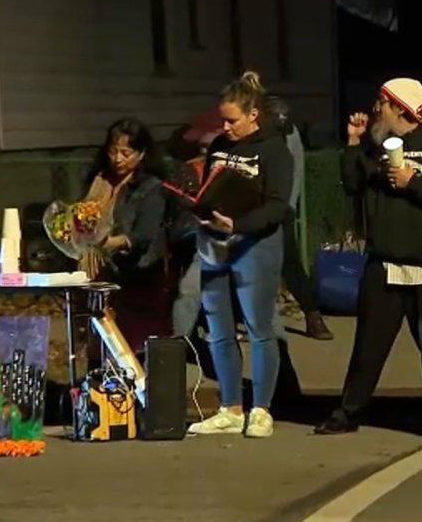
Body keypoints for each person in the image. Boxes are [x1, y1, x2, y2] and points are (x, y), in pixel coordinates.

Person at [313, 78, 422, 441]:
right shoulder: (373, 145)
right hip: (383, 262)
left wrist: (413, 182)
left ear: (401, 108)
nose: (376, 108)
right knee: (368, 347)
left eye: (382, 102)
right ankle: (348, 413)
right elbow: (352, 184)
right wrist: (352, 142)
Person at [186, 70, 294, 438]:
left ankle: (261, 409)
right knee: (218, 329)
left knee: (259, 328)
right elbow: (209, 189)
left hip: (255, 245)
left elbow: (278, 206)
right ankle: (230, 407)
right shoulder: (220, 146)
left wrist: (240, 224)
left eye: (232, 120)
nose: (226, 127)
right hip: (215, 243)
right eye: (223, 120)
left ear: (254, 115)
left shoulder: (274, 149)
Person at [81, 118, 172, 355]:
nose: (118, 159)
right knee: (97, 341)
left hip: (136, 276)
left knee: (130, 347)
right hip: (96, 274)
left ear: (141, 154)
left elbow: (142, 236)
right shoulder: (101, 180)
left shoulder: (151, 188)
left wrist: (109, 243)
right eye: (113, 151)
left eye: (126, 152)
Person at [264, 95, 335, 341]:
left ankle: (313, 316)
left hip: (280, 207)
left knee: (290, 263)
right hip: (253, 208)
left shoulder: (290, 134)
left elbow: (296, 170)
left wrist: (288, 206)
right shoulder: (255, 132)